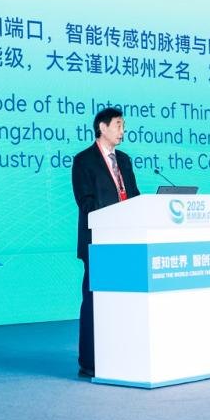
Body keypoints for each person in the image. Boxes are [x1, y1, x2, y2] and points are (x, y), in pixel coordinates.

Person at [72, 106, 140, 377]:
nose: (123, 130)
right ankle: (89, 361)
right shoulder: (84, 160)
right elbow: (85, 202)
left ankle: (121, 355)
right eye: (118, 124)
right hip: (98, 242)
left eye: (123, 125)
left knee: (124, 301)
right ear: (102, 127)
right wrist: (114, 216)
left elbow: (134, 197)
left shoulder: (124, 160)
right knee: (94, 302)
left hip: (126, 242)